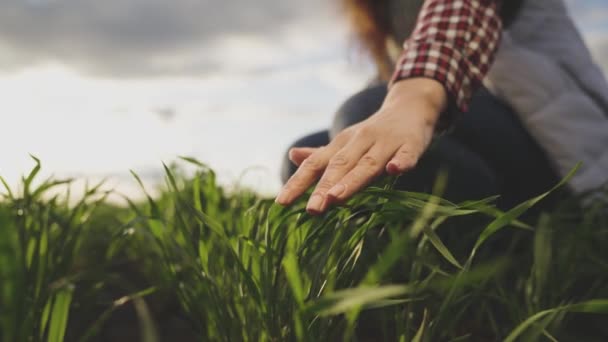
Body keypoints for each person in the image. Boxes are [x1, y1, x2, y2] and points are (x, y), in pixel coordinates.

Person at [276, 0, 608, 214]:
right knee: (306, 156)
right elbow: (384, 87)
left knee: (364, 108)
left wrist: (414, 96)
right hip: (464, 135)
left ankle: (493, 262)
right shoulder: (383, 10)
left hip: (555, 146)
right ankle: (387, 270)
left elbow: (461, 10)